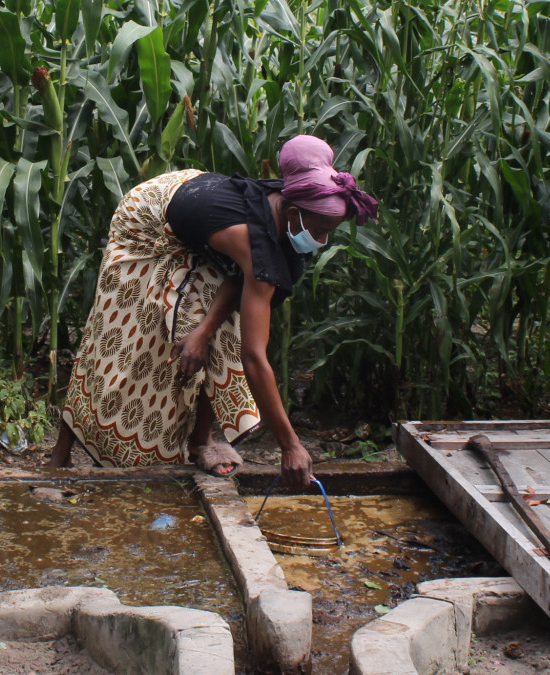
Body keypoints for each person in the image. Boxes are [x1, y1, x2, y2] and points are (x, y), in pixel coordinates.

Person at [46, 135, 378, 487]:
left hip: (201, 220)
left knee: (220, 327)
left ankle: (200, 440)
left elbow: (237, 274)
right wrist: (290, 446)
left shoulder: (286, 209)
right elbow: (254, 355)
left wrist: (203, 332)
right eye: (322, 231)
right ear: (294, 213)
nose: (323, 241)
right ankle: (61, 452)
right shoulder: (254, 239)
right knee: (117, 336)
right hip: (146, 223)